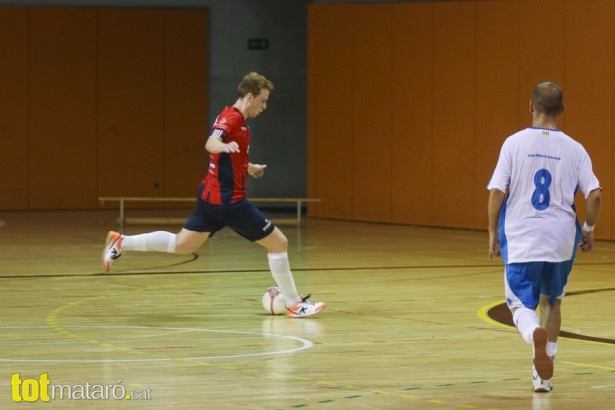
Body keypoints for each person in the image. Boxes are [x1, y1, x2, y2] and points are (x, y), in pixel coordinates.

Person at [102, 72, 326, 318]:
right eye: (262, 100)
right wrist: (222, 146)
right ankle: (294, 304)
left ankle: (122, 242)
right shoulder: (230, 119)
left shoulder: (237, 119)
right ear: (249, 96)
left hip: (210, 195)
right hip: (229, 201)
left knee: (183, 244)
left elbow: (230, 154)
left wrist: (247, 166)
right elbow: (211, 142)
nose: (265, 106)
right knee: (278, 243)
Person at [487, 81, 601, 392]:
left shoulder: (513, 143)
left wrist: (491, 232)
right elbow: (594, 196)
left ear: (530, 106)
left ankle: (532, 332)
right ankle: (543, 377)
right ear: (562, 110)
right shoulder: (575, 149)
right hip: (561, 238)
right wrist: (589, 230)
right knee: (553, 302)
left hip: (522, 235)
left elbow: (497, 191)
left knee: (520, 305)